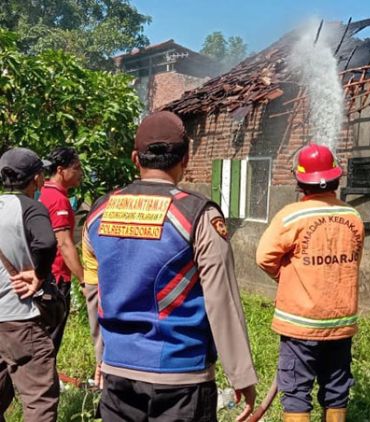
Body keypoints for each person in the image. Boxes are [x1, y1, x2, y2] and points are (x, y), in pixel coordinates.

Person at [83, 111, 258, 421]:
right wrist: (240, 374)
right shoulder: (197, 215)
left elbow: (94, 293)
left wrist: (103, 357)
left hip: (117, 372)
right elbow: (221, 299)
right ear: (186, 158)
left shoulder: (98, 213)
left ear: (135, 158)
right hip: (182, 376)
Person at [256, 143, 365, 422]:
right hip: (340, 322)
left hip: (300, 323)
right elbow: (353, 260)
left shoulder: (291, 216)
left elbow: (264, 257)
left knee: (295, 389)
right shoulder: (353, 217)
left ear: (300, 181)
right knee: (337, 388)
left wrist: (288, 278)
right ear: (336, 178)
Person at [0, 147, 59, 422]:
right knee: (39, 401)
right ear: (36, 178)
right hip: (19, 318)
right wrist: (39, 274)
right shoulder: (31, 207)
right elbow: (46, 242)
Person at [39, 147, 84, 351]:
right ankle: (46, 382)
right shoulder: (58, 200)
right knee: (50, 342)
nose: (80, 173)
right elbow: (64, 244)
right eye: (76, 168)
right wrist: (84, 279)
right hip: (56, 279)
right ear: (60, 170)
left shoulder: (43, 192)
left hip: (44, 276)